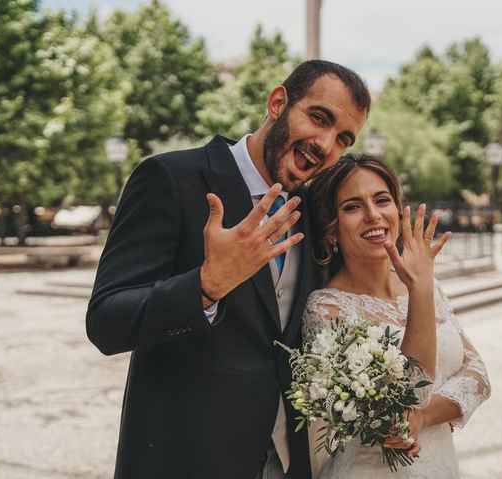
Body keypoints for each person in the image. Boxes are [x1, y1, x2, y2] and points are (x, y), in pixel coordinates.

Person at [85, 60, 371, 479]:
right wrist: (204, 287)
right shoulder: (170, 178)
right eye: (319, 118)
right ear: (277, 103)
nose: (326, 144)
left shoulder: (312, 212)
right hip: (184, 461)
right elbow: (106, 322)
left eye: (343, 138)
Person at [304, 155, 491, 478]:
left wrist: (424, 417)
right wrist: (419, 289)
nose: (373, 215)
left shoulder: (428, 286)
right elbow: (412, 392)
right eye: (352, 207)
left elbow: (478, 374)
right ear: (331, 231)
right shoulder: (326, 309)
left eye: (381, 200)